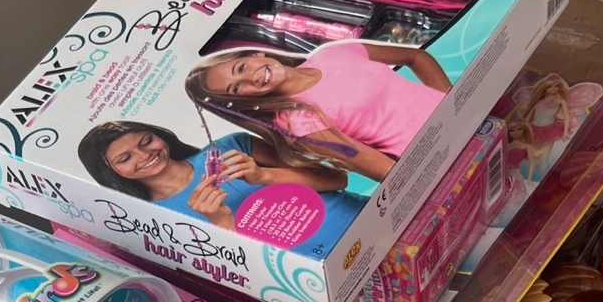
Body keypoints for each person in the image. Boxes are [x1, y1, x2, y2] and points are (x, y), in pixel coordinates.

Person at [78, 119, 367, 253]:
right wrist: (222, 223)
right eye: (125, 158)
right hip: (330, 274)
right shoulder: (151, 222)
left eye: (146, 141)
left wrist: (263, 176)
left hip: (369, 221)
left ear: (160, 133)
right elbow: (250, 277)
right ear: (110, 173)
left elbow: (337, 178)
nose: (144, 155)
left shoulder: (231, 147)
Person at [184, 42, 451, 182]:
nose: (250, 78)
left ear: (255, 54)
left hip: (467, 119)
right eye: (236, 89)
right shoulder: (297, 122)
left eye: (241, 68)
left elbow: (416, 57)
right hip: (441, 155)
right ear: (241, 101)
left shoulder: (332, 53)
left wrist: (451, 100)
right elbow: (387, 171)